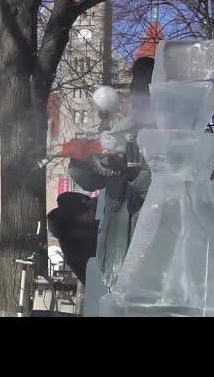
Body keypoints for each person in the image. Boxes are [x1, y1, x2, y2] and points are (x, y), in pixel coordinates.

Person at [68, 56, 154, 287]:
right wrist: (83, 158)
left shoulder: (167, 133)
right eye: (134, 85)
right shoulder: (121, 129)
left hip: (147, 247)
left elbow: (160, 185)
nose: (136, 92)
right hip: (113, 247)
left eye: (142, 85)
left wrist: (129, 166)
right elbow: (91, 180)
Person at [47, 192, 98, 286]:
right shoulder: (76, 254)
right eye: (89, 213)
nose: (93, 211)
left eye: (93, 208)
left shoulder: (74, 203)